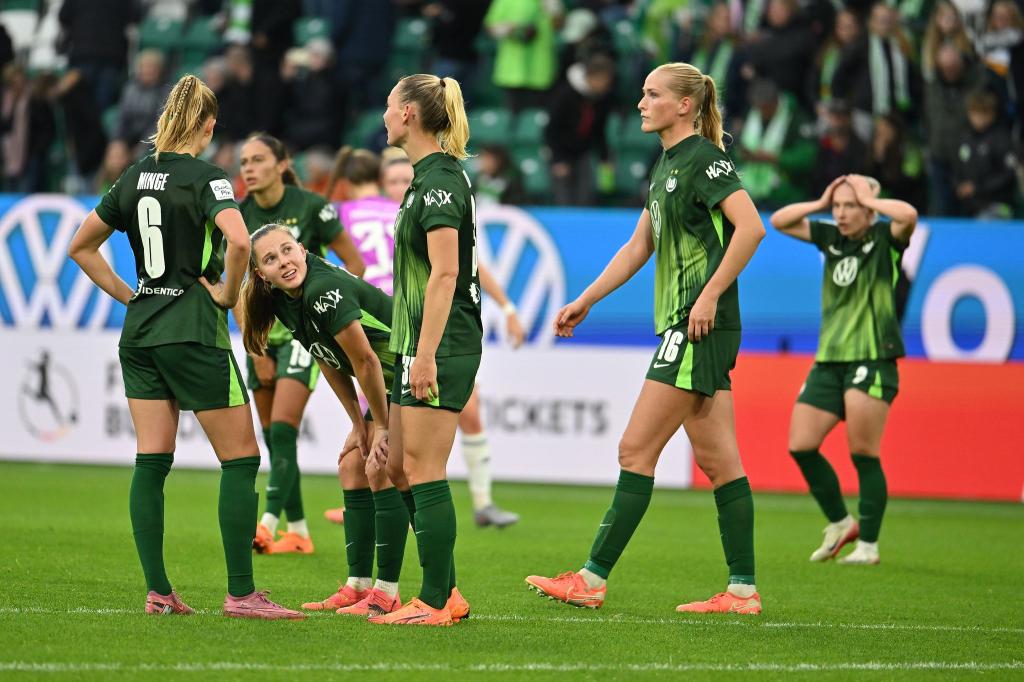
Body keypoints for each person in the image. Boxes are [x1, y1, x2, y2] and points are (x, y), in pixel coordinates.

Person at [525, 62, 766, 615]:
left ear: (685, 104)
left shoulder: (705, 159)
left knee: (636, 449)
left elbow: (751, 227)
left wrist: (707, 296)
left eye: (652, 94)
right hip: (695, 322)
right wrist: (587, 299)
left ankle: (591, 578)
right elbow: (640, 246)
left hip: (696, 323)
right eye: (642, 93)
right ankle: (742, 591)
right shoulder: (667, 165)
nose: (641, 102)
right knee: (721, 462)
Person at [67, 74, 303, 620]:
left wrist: (133, 296)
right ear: (209, 126)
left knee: (151, 461)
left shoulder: (131, 177)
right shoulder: (207, 178)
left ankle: (159, 592)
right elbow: (241, 241)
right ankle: (242, 595)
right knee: (242, 459)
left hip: (142, 331)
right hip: (193, 329)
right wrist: (224, 292)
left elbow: (82, 246)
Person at [323, 146, 522, 530]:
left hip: (433, 330)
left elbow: (465, 266)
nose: (400, 186)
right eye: (393, 181)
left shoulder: (427, 212)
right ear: (383, 185)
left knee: (461, 417)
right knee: (381, 436)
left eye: (405, 180)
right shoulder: (388, 219)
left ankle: (481, 503)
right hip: (387, 332)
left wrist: (508, 308)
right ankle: (370, 503)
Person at [241, 224, 409, 618]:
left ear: (302, 248)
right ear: (261, 275)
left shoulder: (320, 290)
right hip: (387, 383)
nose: (283, 261)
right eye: (270, 258)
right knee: (352, 466)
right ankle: (358, 587)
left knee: (381, 467)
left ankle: (387, 594)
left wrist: (379, 426)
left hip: (410, 370)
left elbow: (365, 359)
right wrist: (358, 423)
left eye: (287, 250)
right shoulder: (286, 299)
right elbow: (326, 357)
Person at [368, 73, 482, 626]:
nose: (384, 114)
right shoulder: (422, 180)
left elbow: (446, 274)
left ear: (410, 113)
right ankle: (445, 591)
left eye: (390, 105)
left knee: (422, 466)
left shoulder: (440, 182)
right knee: (398, 470)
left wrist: (428, 353)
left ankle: (438, 598)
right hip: (414, 343)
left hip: (442, 342)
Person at [769, 173, 917, 565]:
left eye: (850, 206)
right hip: (829, 359)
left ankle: (868, 545)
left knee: (863, 452)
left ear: (868, 209)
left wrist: (871, 201)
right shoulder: (831, 238)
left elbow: (908, 215)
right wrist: (820, 202)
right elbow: (779, 221)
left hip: (872, 356)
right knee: (800, 444)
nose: (842, 214)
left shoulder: (886, 240)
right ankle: (840, 521)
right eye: (839, 207)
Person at [235, 132, 365, 555]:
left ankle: (269, 521)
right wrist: (254, 346)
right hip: (262, 338)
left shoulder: (313, 207)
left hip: (302, 332)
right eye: (243, 162)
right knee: (273, 436)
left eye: (257, 160)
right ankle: (301, 532)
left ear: (281, 162)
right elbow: (238, 285)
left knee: (286, 427)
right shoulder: (238, 216)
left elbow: (356, 262)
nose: (248, 169)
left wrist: (334, 311)